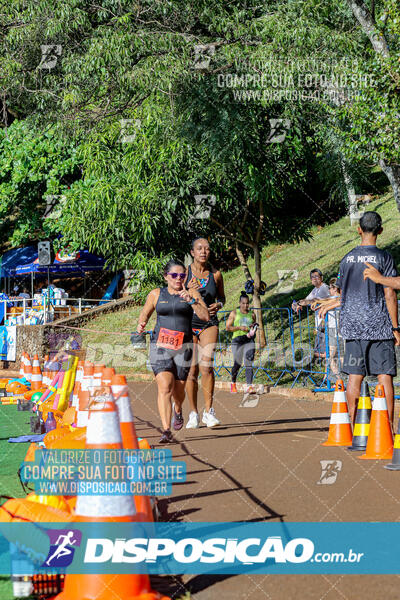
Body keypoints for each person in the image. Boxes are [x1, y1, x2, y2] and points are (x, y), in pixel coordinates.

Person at [320, 211, 400, 427]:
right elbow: (390, 293)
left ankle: (352, 428)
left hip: (353, 327)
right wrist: (395, 326)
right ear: (381, 231)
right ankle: (386, 429)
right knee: (385, 376)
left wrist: (334, 303)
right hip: (380, 327)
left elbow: (343, 292)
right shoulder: (384, 257)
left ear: (358, 230)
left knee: (355, 376)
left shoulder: (346, 259)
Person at [137, 259, 209, 443]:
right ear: (166, 276)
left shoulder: (191, 292)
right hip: (160, 346)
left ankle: (178, 409)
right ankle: (166, 429)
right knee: (165, 386)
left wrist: (191, 300)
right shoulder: (156, 294)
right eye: (174, 275)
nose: (178, 278)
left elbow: (205, 316)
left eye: (182, 275)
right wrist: (141, 323)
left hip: (183, 347)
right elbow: (145, 312)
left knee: (179, 390)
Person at [185, 237, 225, 428]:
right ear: (192, 252)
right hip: (187, 323)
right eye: (199, 249)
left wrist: (220, 304)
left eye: (207, 249)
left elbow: (223, 298)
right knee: (191, 370)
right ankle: (193, 412)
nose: (203, 252)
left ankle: (209, 412)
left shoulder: (216, 275)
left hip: (209, 323)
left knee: (206, 366)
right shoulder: (183, 274)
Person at [292, 269, 330, 358]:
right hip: (320, 325)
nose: (314, 279)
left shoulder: (324, 288)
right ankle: (329, 370)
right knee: (320, 353)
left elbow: (313, 301)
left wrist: (299, 303)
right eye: (312, 277)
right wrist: (297, 304)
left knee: (325, 353)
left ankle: (332, 370)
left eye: (316, 276)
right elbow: (307, 300)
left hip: (326, 323)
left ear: (322, 278)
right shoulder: (315, 290)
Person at [226, 291, 257, 393]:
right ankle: (233, 383)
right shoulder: (234, 313)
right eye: (243, 303)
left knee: (248, 361)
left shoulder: (252, 314)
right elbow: (228, 327)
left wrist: (253, 329)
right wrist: (239, 327)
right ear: (239, 303)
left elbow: (253, 326)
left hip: (248, 339)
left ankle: (249, 386)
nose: (245, 305)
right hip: (237, 340)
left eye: (247, 303)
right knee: (237, 363)